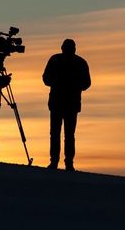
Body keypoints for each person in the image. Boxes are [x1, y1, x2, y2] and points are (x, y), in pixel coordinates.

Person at [43, 39, 91, 171]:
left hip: (64, 103)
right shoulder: (79, 62)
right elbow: (86, 83)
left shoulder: (57, 60)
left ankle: (60, 162)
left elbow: (46, 79)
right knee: (65, 134)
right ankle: (64, 162)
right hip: (65, 103)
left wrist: (61, 83)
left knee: (60, 134)